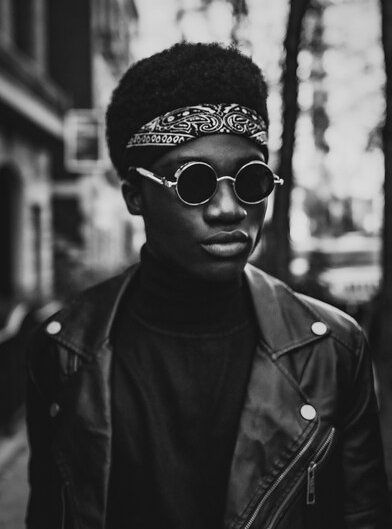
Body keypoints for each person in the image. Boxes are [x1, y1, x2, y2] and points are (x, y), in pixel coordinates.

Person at [26, 42, 391, 529]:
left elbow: (364, 514)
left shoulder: (333, 350)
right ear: (136, 196)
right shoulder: (64, 349)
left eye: (251, 179)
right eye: (194, 183)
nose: (228, 209)